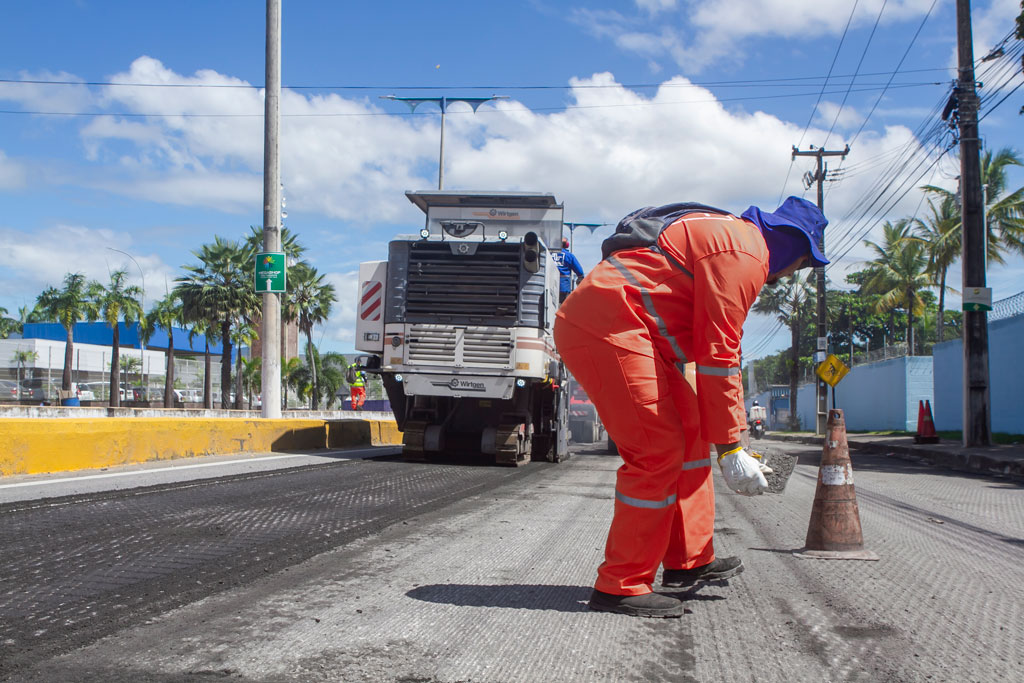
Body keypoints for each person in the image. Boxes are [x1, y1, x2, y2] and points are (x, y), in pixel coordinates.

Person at [554, 196, 828, 618]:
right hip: (609, 326)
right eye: (803, 263)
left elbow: (706, 349)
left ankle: (688, 562)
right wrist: (733, 446)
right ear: (793, 246)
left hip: (630, 329)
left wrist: (724, 440)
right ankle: (621, 585)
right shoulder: (745, 252)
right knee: (656, 452)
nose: (793, 273)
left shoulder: (733, 239)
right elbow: (720, 356)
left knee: (692, 432)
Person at [552, 237, 585, 303]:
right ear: (566, 245)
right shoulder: (569, 256)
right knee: (562, 309)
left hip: (550, 286)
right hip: (564, 287)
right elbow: (580, 272)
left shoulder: (548, 254)